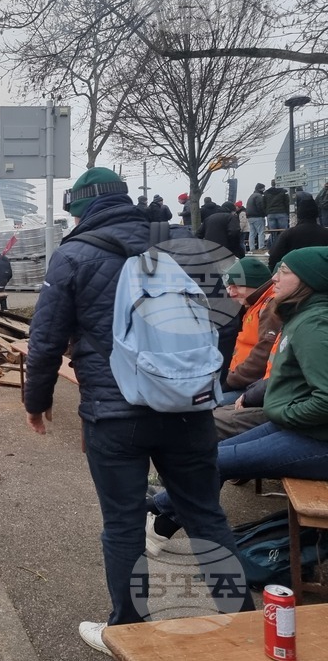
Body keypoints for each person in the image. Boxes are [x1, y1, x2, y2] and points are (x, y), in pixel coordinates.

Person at [24, 167, 252, 653]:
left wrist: (37, 402)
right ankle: (245, 622)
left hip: (116, 414)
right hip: (189, 412)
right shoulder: (186, 246)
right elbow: (228, 320)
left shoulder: (73, 255)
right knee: (207, 518)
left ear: (83, 209)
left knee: (123, 523)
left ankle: (129, 633)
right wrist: (202, 381)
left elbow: (44, 342)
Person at [147, 247, 328, 553]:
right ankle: (159, 515)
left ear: (308, 279)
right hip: (296, 424)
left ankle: (160, 521)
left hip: (315, 438)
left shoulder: (315, 324)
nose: (275, 277)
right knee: (212, 454)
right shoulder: (304, 315)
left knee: (212, 457)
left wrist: (281, 410)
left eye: (284, 271)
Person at [221, 258, 279, 402]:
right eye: (229, 286)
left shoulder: (270, 307)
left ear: (256, 285)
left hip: (250, 385)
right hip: (242, 380)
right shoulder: (253, 304)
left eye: (238, 286)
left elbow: (262, 354)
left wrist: (228, 382)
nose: (231, 293)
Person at [267, 198, 328, 271]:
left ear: (299, 215)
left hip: (294, 274)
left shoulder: (288, 234)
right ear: (317, 214)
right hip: (321, 275)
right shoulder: (325, 233)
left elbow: (274, 256)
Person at [264, 180, 290, 248]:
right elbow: (287, 203)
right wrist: (287, 213)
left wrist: (266, 213)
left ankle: (274, 248)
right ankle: (283, 246)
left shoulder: (266, 193)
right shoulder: (283, 191)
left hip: (270, 214)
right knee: (283, 232)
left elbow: (263, 204)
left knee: (273, 233)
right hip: (282, 213)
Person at [245, 183, 266, 252]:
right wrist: (264, 214)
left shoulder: (251, 196)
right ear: (261, 189)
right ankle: (261, 247)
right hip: (257, 216)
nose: (264, 190)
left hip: (250, 217)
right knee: (261, 232)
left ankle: (252, 248)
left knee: (252, 233)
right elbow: (260, 206)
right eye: (263, 188)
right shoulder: (258, 196)